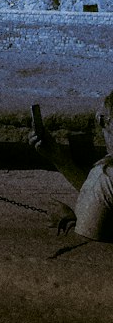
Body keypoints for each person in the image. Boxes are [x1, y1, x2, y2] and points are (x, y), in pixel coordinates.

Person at [28, 90, 113, 240]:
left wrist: (67, 221)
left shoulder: (105, 176)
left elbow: (86, 253)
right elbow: (101, 198)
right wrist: (59, 158)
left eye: (101, 119)